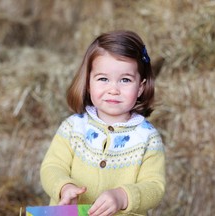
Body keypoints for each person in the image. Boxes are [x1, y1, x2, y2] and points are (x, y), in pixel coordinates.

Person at [40, 30, 166, 216]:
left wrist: (123, 196)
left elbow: (155, 187)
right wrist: (64, 187)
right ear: (89, 83)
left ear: (140, 87)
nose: (113, 89)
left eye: (125, 80)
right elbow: (52, 166)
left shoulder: (147, 137)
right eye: (103, 79)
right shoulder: (73, 127)